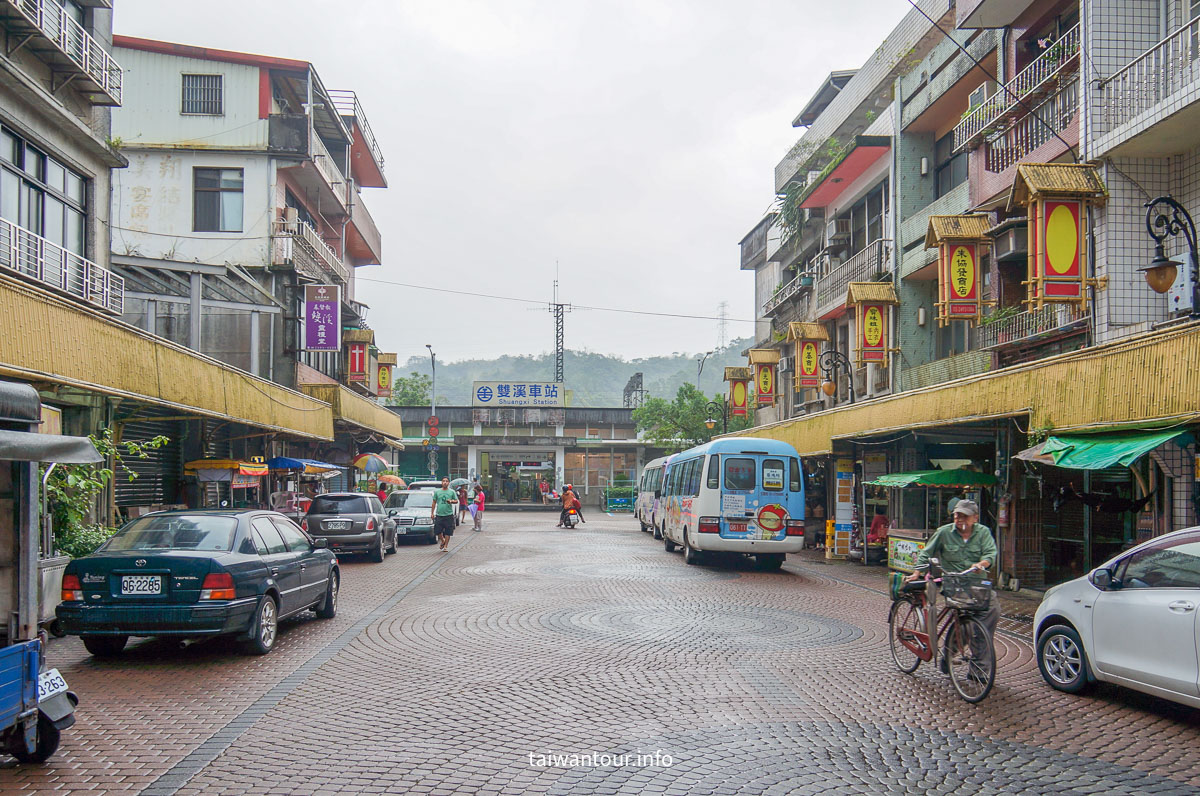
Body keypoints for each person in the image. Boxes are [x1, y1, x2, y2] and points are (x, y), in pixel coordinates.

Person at [907, 499, 998, 672]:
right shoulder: (944, 532)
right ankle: (951, 655)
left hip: (978, 585)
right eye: (957, 515)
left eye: (965, 516)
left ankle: (979, 667)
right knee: (966, 623)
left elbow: (990, 554)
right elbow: (927, 552)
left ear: (975, 518)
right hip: (954, 586)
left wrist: (982, 564)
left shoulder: (983, 533)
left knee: (990, 612)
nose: (959, 519)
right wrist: (917, 572)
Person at [431, 477, 458, 551]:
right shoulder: (437, 492)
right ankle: (443, 541)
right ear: (441, 482)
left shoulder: (452, 492)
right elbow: (434, 502)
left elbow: (456, 501)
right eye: (443, 481)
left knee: (448, 531)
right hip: (439, 514)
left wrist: (451, 501)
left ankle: (445, 546)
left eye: (446, 481)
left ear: (448, 483)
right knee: (438, 530)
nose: (445, 482)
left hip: (448, 514)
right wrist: (432, 513)